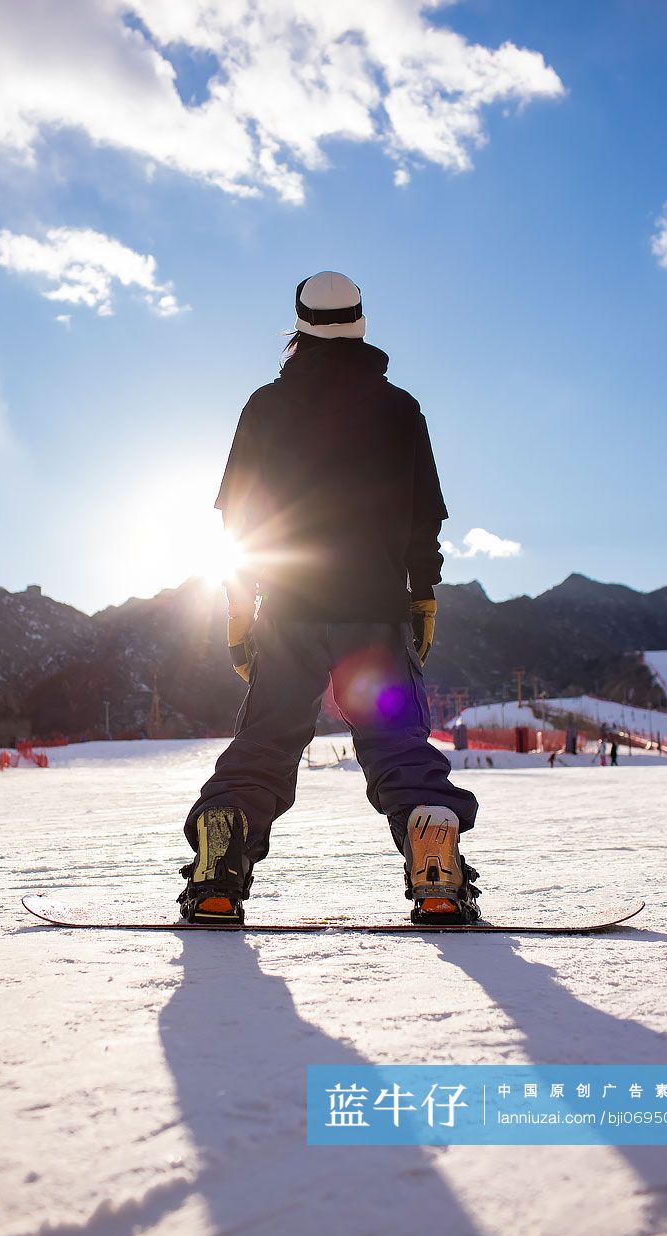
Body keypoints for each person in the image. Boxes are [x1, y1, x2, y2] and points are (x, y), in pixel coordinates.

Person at [178, 271, 479, 926]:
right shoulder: (399, 409)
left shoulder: (264, 406)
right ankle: (433, 859)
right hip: (372, 611)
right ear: (361, 324)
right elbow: (422, 521)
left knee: (264, 741)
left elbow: (240, 519)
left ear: (299, 330)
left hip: (286, 611)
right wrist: (420, 599)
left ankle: (221, 863)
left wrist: (238, 605)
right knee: (396, 742)